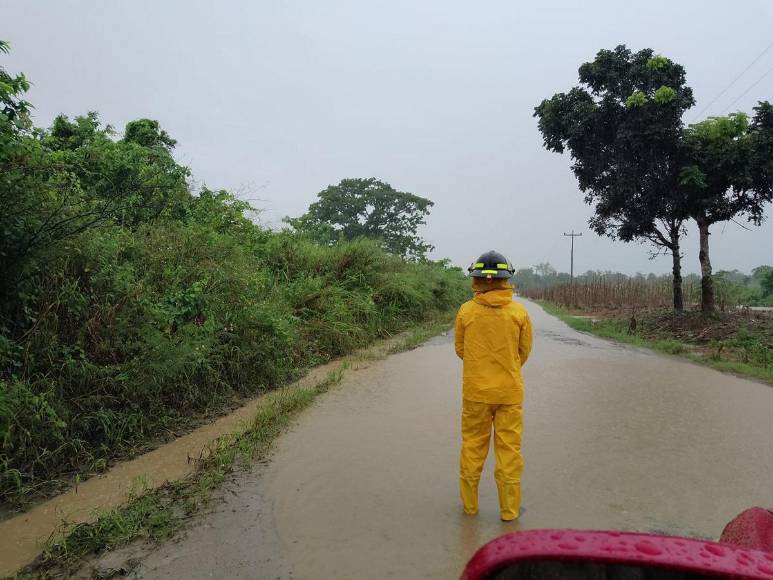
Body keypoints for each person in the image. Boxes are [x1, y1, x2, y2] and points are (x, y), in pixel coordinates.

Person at [454, 250, 533, 521]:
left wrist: (480, 366)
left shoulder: (466, 311)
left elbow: (461, 350)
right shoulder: (519, 312)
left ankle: (469, 508)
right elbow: (523, 352)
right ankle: (509, 513)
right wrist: (506, 368)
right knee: (509, 451)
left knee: (472, 447)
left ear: (476, 279)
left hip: (475, 392)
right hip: (509, 393)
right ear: (506, 279)